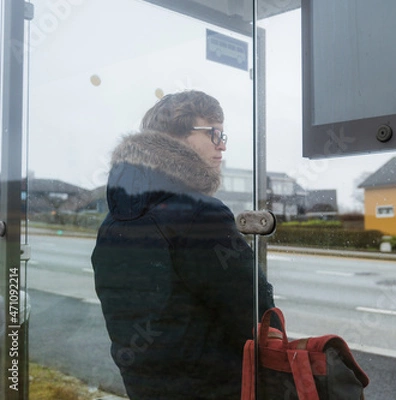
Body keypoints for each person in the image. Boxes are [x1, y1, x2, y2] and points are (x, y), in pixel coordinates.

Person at [91, 90, 276, 399]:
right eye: (214, 133)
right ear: (174, 136)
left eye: (223, 133)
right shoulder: (200, 213)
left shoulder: (114, 220)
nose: (223, 144)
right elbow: (256, 313)